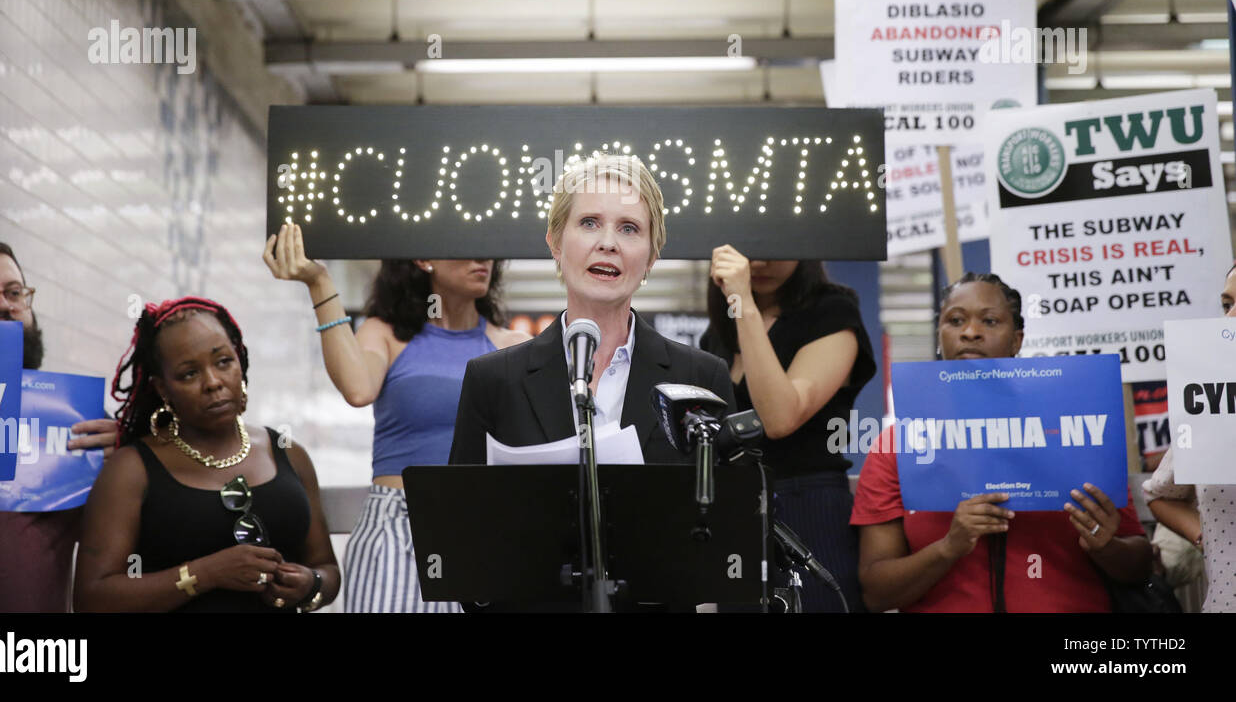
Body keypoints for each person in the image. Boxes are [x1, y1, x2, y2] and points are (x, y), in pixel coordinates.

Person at [264, 222, 528, 612]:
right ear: (422, 258)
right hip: (398, 525)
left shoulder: (513, 346)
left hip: (485, 527)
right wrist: (319, 281)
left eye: (487, 246)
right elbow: (358, 389)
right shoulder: (384, 333)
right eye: (465, 245)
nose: (482, 257)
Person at [851, 272, 1151, 612]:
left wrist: (1105, 546)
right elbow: (876, 592)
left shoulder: (1077, 432)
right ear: (940, 337)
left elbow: (1140, 566)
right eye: (955, 320)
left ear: (1017, 340)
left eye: (990, 321)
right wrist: (948, 547)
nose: (970, 332)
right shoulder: (899, 446)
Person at [450, 153, 737, 465]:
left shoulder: (702, 377)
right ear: (555, 242)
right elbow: (464, 509)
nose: (608, 243)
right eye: (589, 223)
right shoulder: (493, 380)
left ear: (651, 257)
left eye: (629, 228)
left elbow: (730, 507)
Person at [73, 296, 340, 612]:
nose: (213, 382)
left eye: (223, 361)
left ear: (240, 360)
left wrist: (311, 583)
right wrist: (204, 574)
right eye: (189, 374)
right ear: (162, 388)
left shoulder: (288, 454)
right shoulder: (132, 468)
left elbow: (326, 568)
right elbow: (92, 598)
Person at [0, 237, 117, 612]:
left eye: (14, 293)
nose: (4, 306)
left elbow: (119, 555)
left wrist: (125, 468)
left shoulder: (80, 423)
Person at [700, 251, 876, 612]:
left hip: (808, 503)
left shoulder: (831, 310)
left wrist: (743, 300)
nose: (761, 263)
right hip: (738, 508)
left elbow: (780, 418)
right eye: (750, 253)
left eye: (774, 251)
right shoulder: (716, 334)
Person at [1141, 262, 1236, 612]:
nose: (1230, 318)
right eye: (1227, 305)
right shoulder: (1210, 404)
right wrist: (1207, 536)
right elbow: (1159, 494)